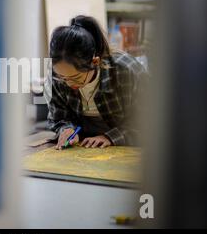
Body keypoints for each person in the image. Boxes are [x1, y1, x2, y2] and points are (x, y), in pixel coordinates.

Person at [45, 15, 148, 149]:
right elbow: (57, 118)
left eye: (75, 78)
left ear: (95, 62)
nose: (68, 84)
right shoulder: (57, 74)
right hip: (83, 148)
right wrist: (66, 129)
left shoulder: (125, 71)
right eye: (62, 78)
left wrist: (110, 137)